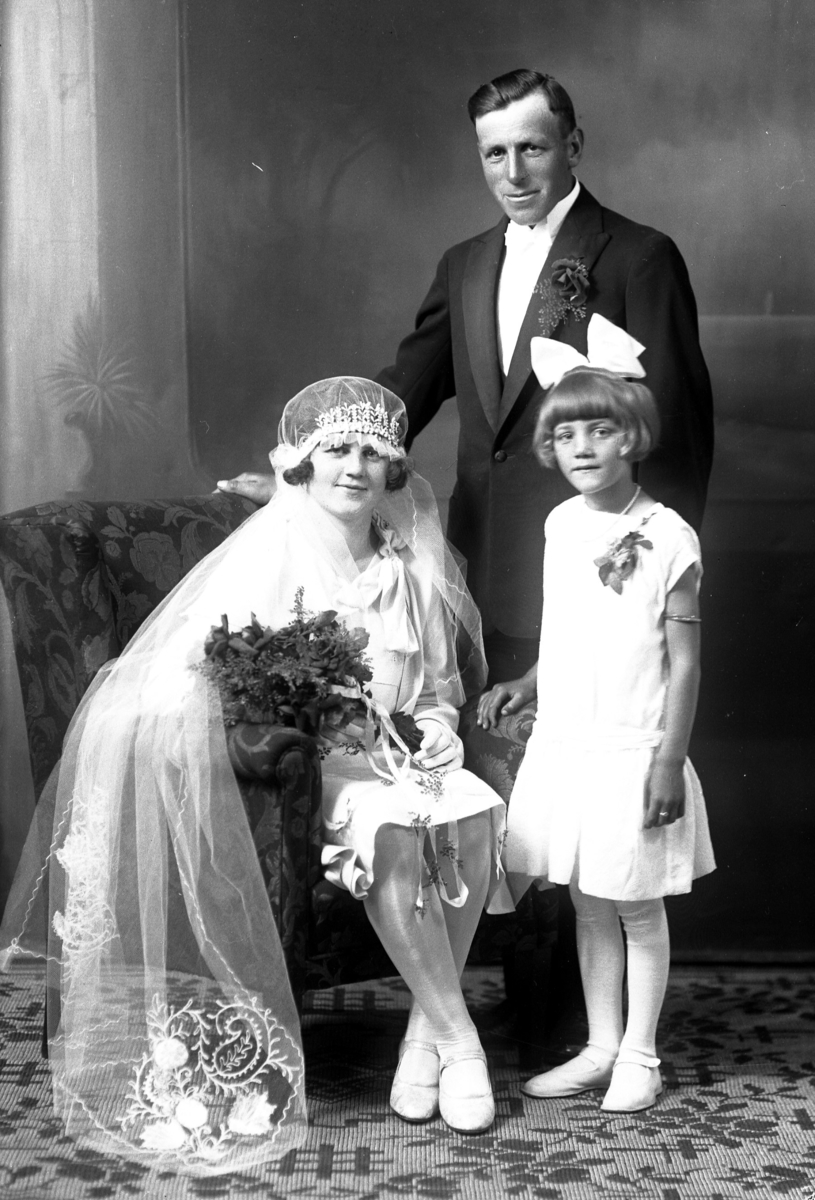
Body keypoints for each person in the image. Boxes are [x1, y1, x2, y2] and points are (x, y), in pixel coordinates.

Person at [0, 378, 509, 1168]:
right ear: (302, 463)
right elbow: (207, 680)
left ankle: (423, 1039)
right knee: (394, 834)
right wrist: (312, 716)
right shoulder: (271, 553)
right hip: (318, 771)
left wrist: (440, 729)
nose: (354, 468)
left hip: (401, 753)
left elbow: (437, 690)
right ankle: (461, 1041)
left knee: (474, 811)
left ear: (392, 470)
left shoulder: (410, 562)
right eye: (335, 451)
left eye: (371, 454)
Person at [478, 322, 715, 1112]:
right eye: (565, 434)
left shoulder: (667, 536)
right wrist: (530, 680)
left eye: (599, 430)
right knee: (585, 898)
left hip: (630, 746)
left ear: (633, 437)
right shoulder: (561, 524)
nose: (581, 447)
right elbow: (571, 629)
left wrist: (665, 760)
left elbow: (683, 661)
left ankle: (640, 1056)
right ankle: (600, 1046)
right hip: (567, 740)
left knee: (634, 904)